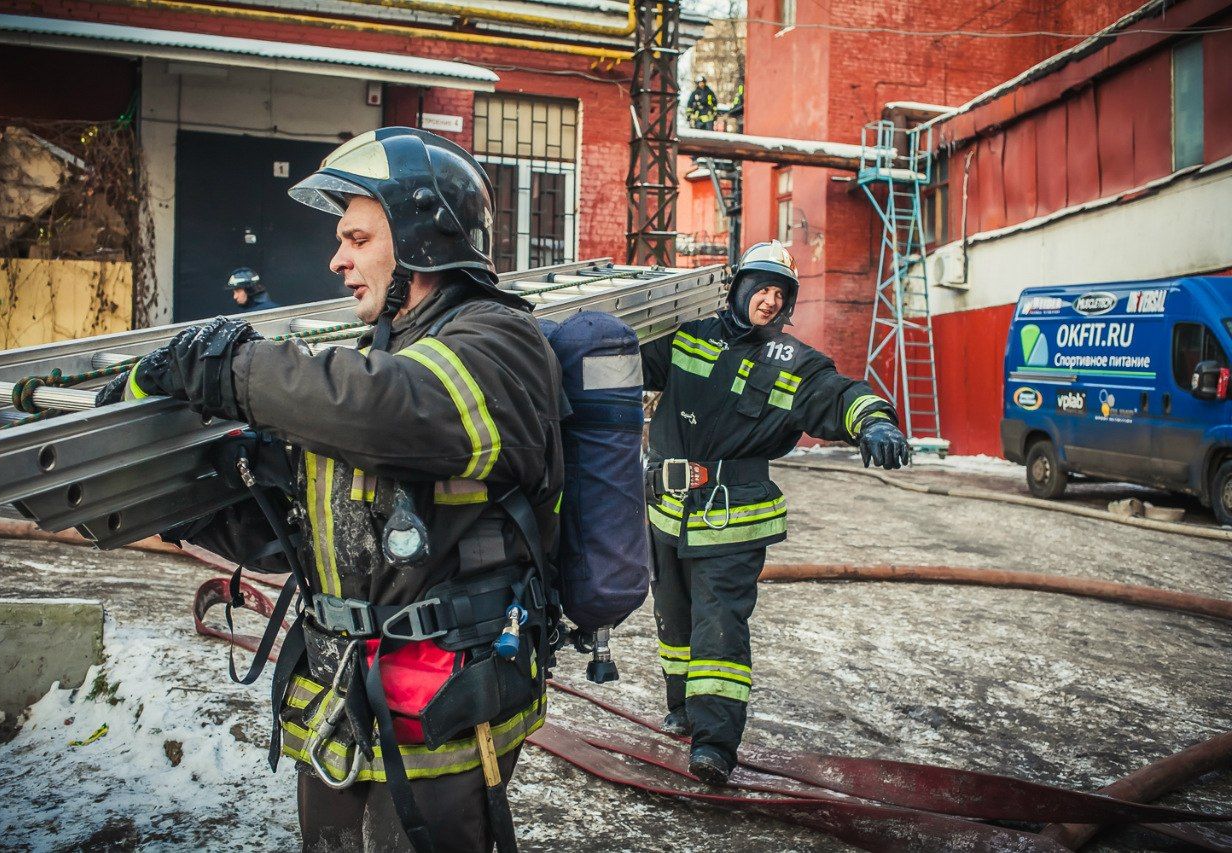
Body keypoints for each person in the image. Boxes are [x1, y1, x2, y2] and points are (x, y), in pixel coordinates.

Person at [98, 128, 563, 852]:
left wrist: (234, 368)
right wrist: (176, 501)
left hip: (443, 708)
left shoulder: (500, 344)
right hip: (338, 697)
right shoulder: (372, 353)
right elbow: (303, 529)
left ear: (420, 237)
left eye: (356, 236)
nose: (337, 258)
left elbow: (390, 408)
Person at [640, 239, 911, 785]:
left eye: (777, 293)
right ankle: (684, 707)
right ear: (737, 288)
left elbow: (837, 394)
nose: (766, 300)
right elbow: (625, 360)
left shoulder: (792, 362)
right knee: (674, 618)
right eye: (758, 288)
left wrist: (875, 420)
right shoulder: (688, 336)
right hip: (667, 511)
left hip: (731, 520)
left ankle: (714, 744)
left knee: (719, 629)